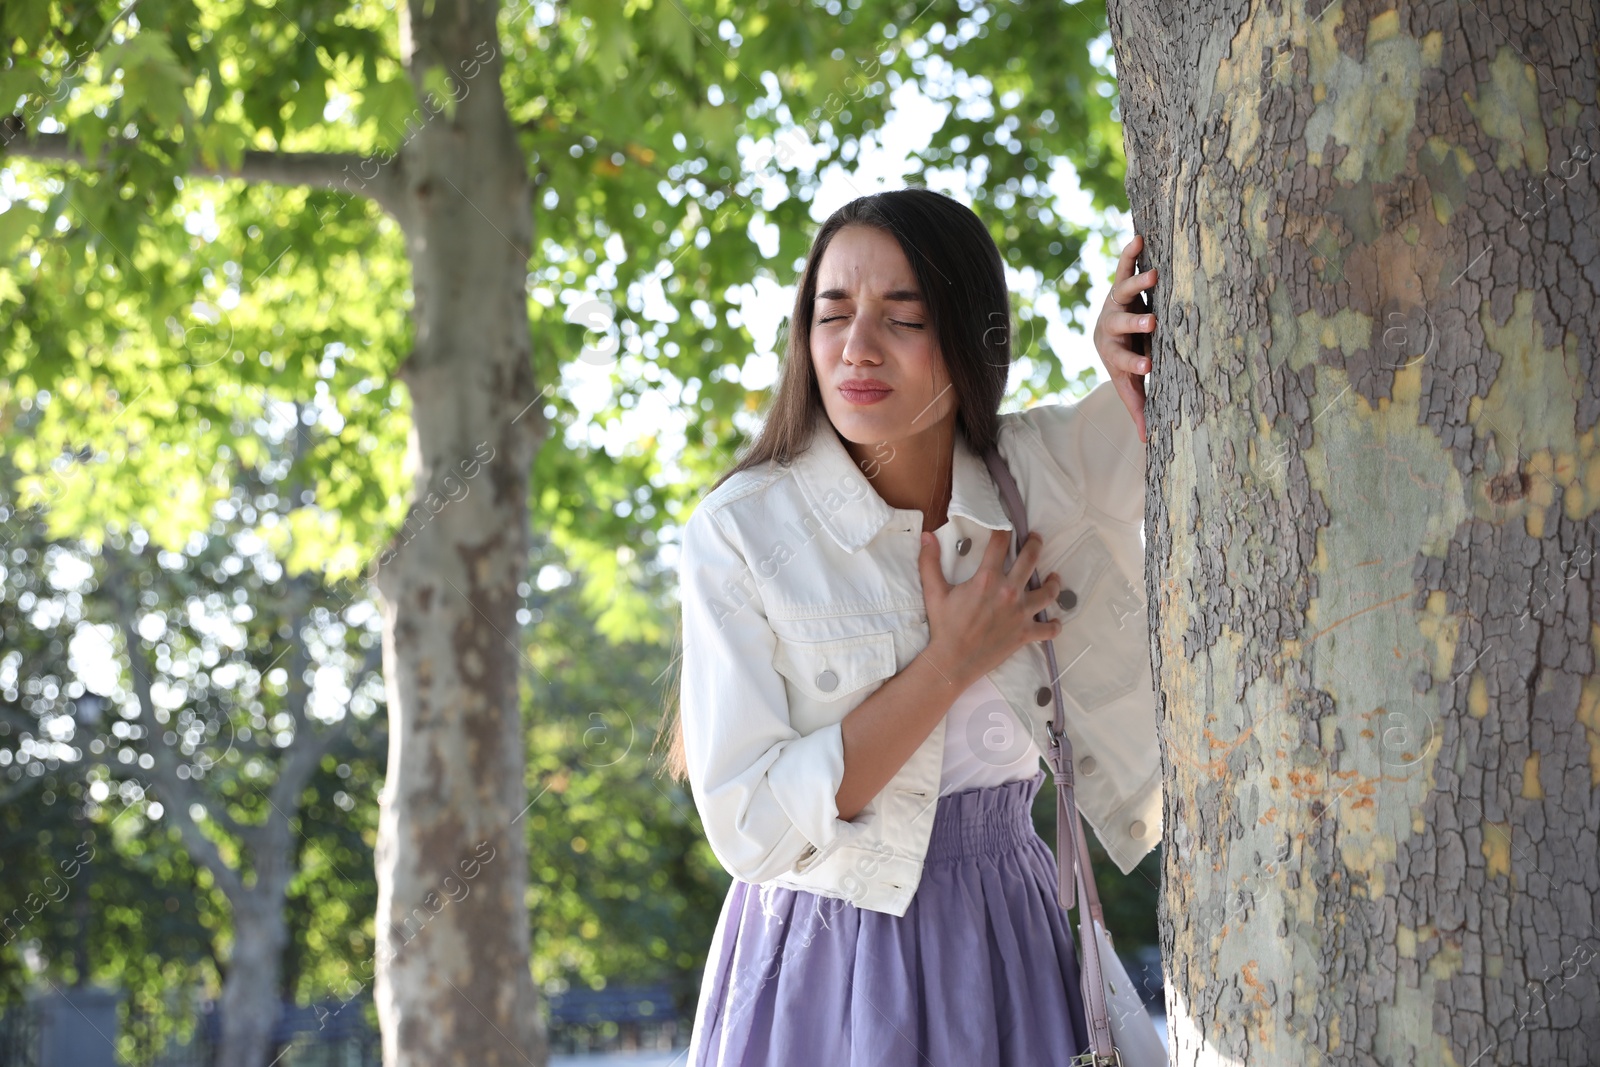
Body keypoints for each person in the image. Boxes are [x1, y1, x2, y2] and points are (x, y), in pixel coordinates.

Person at [658, 187, 1160, 1066]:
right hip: (824, 955)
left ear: (968, 337)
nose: (857, 348)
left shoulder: (1031, 476)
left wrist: (1126, 341)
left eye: (904, 317)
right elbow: (753, 831)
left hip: (1008, 928)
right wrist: (951, 661)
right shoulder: (742, 531)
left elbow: (1151, 422)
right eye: (833, 313)